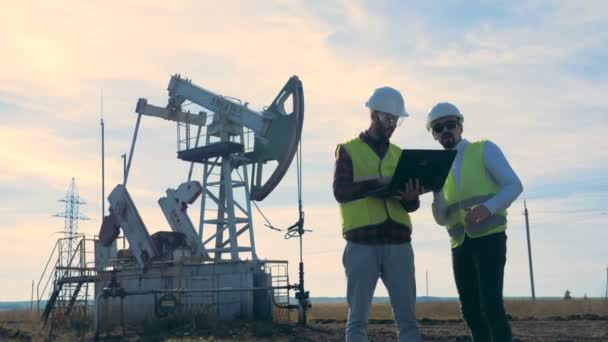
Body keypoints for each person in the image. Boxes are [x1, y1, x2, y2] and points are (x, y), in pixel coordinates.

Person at [427, 102, 523, 342]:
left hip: (489, 237)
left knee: (491, 305)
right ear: (433, 134)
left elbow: (514, 185)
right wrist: (436, 193)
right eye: (438, 128)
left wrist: (487, 209)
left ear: (460, 125)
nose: (445, 131)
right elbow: (441, 220)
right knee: (469, 310)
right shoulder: (436, 166)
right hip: (459, 243)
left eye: (450, 124)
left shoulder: (484, 150)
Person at [333, 86, 422, 342]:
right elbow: (341, 191)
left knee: (408, 321)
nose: (392, 125)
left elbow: (412, 207)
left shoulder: (400, 156)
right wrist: (376, 183)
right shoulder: (348, 150)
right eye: (388, 118)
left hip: (399, 244)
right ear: (373, 115)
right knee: (358, 321)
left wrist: (411, 197)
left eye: (396, 120)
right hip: (362, 244)